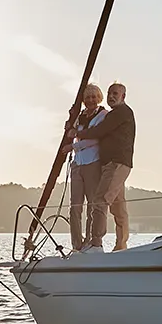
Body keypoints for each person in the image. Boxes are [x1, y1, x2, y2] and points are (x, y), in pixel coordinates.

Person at [90, 81, 135, 252]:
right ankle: (121, 246)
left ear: (123, 96)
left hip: (117, 164)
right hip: (114, 164)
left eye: (115, 93)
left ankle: (96, 244)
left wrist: (77, 133)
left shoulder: (121, 112)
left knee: (101, 201)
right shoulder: (114, 114)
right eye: (109, 93)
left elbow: (99, 131)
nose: (111, 96)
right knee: (118, 207)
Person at [68, 83, 106, 253]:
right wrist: (71, 119)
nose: (90, 100)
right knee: (75, 205)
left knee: (92, 203)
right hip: (78, 164)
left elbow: (97, 138)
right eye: (87, 97)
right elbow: (70, 131)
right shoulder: (80, 117)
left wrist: (75, 147)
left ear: (98, 98)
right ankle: (77, 243)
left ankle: (91, 241)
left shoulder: (102, 115)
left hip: (92, 162)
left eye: (93, 97)